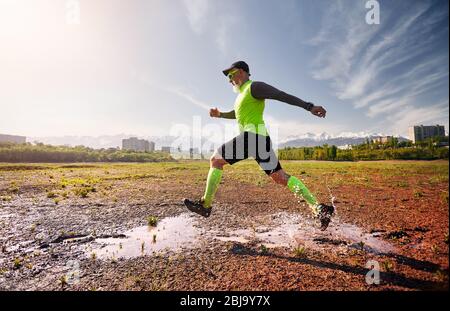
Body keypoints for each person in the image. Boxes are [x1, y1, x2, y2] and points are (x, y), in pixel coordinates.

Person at [183, 61, 334, 230]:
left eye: (231, 75)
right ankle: (319, 209)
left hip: (252, 136)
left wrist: (309, 106)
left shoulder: (254, 87)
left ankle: (205, 205)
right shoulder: (241, 96)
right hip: (259, 139)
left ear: (241, 72)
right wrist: (220, 115)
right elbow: (237, 113)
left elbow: (280, 95)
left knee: (216, 160)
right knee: (280, 177)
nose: (229, 80)